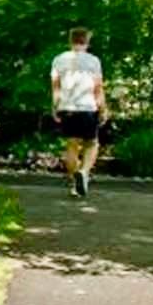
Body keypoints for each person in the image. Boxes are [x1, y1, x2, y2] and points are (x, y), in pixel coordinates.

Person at [51, 27, 105, 199]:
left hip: (67, 107)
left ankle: (75, 184)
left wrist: (55, 106)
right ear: (87, 41)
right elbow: (98, 88)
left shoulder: (59, 60)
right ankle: (84, 172)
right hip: (87, 108)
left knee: (71, 145)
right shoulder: (94, 61)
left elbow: (55, 87)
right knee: (92, 144)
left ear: (70, 40)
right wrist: (103, 108)